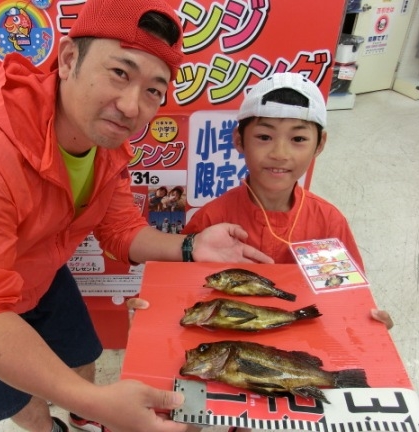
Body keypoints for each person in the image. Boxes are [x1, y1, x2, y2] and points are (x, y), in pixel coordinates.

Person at [0, 1, 273, 432]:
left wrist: (191, 246)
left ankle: (84, 416)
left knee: (80, 355)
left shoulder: (104, 143)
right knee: (15, 394)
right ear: (68, 59)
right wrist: (101, 402)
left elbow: (120, 229)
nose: (132, 107)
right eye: (120, 73)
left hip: (42, 270)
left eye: (153, 90)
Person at [129, 72, 393, 432]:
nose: (280, 153)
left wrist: (368, 323)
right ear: (239, 139)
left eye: (298, 138)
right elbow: (188, 295)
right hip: (228, 361)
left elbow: (347, 295)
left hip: (302, 352)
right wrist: (152, 310)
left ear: (320, 144)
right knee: (184, 418)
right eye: (264, 136)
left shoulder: (329, 221)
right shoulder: (213, 219)